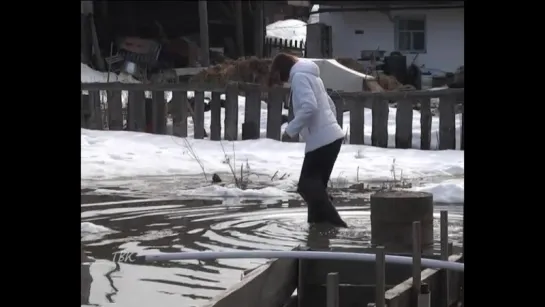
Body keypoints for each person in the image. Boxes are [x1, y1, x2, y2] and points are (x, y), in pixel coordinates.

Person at [268, 53, 348, 228]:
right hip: (330, 139)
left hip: (322, 141)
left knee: (306, 186)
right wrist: (329, 127)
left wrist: (290, 130)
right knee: (315, 188)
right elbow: (330, 105)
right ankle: (317, 225)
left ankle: (338, 226)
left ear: (282, 70)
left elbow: (309, 107)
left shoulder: (299, 78)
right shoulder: (313, 77)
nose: (281, 81)